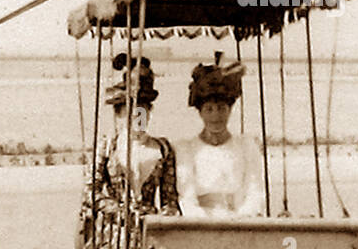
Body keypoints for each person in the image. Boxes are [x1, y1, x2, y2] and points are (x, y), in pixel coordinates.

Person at [175, 53, 264, 217]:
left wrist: (241, 218)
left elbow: (255, 190)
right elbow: (186, 196)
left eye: (222, 108)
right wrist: (205, 224)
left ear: (230, 110)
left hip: (240, 223)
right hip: (201, 225)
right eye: (209, 109)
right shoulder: (187, 149)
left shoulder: (246, 146)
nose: (216, 117)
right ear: (200, 112)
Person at [90, 55, 179, 216]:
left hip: (151, 230)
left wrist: (166, 216)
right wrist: (113, 207)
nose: (138, 117)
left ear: (149, 112)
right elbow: (91, 192)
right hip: (115, 232)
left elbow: (170, 200)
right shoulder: (108, 147)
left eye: (142, 110)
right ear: (119, 114)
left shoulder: (163, 149)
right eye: (130, 112)